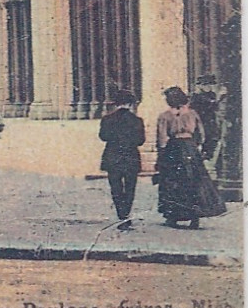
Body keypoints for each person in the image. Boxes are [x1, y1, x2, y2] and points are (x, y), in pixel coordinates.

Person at [155, 86, 228, 228]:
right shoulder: (192, 114)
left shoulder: (165, 116)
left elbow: (162, 138)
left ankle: (173, 216)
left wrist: (161, 155)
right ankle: (195, 216)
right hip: (190, 148)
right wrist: (196, 146)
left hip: (173, 149)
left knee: (173, 181)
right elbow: (201, 135)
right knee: (194, 181)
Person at [98, 88, 144, 229]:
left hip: (113, 156)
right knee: (130, 188)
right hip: (131, 157)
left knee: (116, 188)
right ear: (130, 104)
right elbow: (140, 140)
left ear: (115, 103)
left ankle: (121, 216)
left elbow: (103, 137)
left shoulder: (107, 119)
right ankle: (127, 214)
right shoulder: (137, 120)